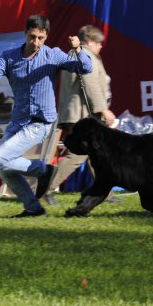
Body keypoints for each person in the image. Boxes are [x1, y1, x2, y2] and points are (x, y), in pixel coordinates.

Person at [0, 14, 92, 217]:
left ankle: (44, 170)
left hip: (40, 122)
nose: (36, 42)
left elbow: (85, 68)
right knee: (5, 170)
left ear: (46, 36)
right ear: (25, 33)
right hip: (18, 121)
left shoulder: (52, 55)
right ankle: (34, 208)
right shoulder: (9, 57)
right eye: (32, 37)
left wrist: (78, 50)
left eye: (41, 38)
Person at [42, 25, 117, 206]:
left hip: (77, 114)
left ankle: (105, 194)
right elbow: (91, 85)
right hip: (82, 116)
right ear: (90, 41)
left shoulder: (74, 55)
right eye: (99, 43)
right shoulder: (86, 56)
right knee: (77, 157)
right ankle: (46, 189)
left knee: (96, 156)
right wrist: (103, 109)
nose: (100, 47)